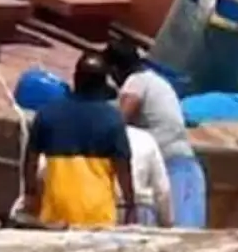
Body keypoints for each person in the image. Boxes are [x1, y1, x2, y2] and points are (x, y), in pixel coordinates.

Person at [19, 53, 136, 228]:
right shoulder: (113, 119)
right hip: (97, 214)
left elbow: (31, 160)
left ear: (75, 79)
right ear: (103, 84)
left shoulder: (47, 113)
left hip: (56, 213)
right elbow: (123, 168)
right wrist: (130, 204)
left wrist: (30, 194)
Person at [103, 39, 206, 228]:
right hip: (186, 163)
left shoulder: (135, 82)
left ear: (116, 69)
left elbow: (116, 124)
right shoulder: (156, 80)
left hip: (168, 163)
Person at [123, 119, 175, 228]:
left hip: (107, 211)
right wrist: (167, 223)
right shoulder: (145, 139)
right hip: (142, 211)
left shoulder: (93, 137)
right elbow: (162, 190)